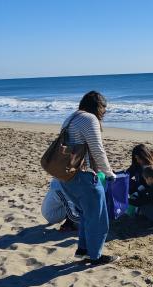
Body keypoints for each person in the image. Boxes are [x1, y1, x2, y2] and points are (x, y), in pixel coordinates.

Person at [59, 91, 119, 265]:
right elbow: (97, 150)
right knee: (99, 218)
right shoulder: (89, 119)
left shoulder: (71, 118)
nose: (105, 112)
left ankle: (83, 250)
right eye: (104, 108)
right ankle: (96, 256)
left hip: (67, 176)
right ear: (97, 106)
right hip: (83, 176)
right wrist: (109, 173)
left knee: (86, 215)